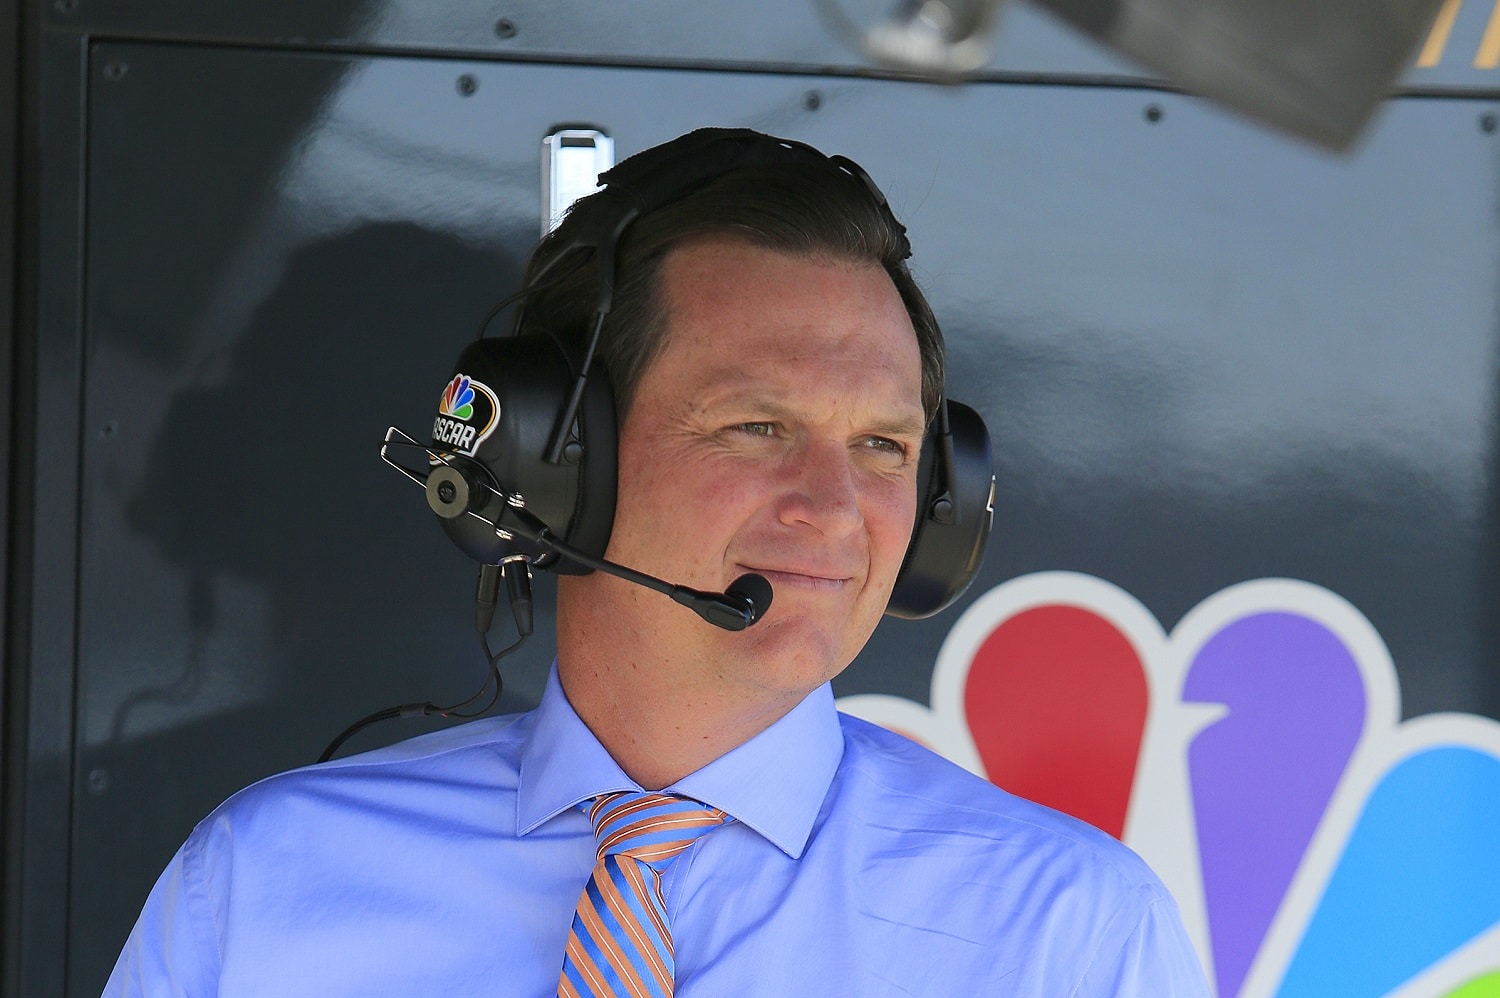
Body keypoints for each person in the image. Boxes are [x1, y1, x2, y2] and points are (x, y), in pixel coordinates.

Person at [105, 129, 1210, 996]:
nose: (836, 508)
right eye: (754, 426)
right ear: (551, 465)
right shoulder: (264, 887)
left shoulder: (1069, 929)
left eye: (884, 446)